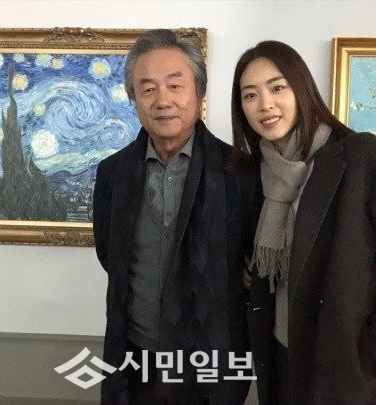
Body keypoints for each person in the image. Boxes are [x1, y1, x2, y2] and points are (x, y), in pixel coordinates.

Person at [231, 40, 376, 404]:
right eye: (250, 95)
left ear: (302, 89)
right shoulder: (259, 175)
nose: (265, 104)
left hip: (354, 374)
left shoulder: (364, 158)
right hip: (285, 362)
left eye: (277, 88)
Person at [93, 29, 261, 404]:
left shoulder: (241, 173)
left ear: (199, 93)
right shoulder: (112, 173)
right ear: (134, 99)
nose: (163, 100)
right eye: (148, 89)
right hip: (134, 359)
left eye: (175, 85)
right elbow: (110, 255)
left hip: (212, 363)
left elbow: (256, 265)